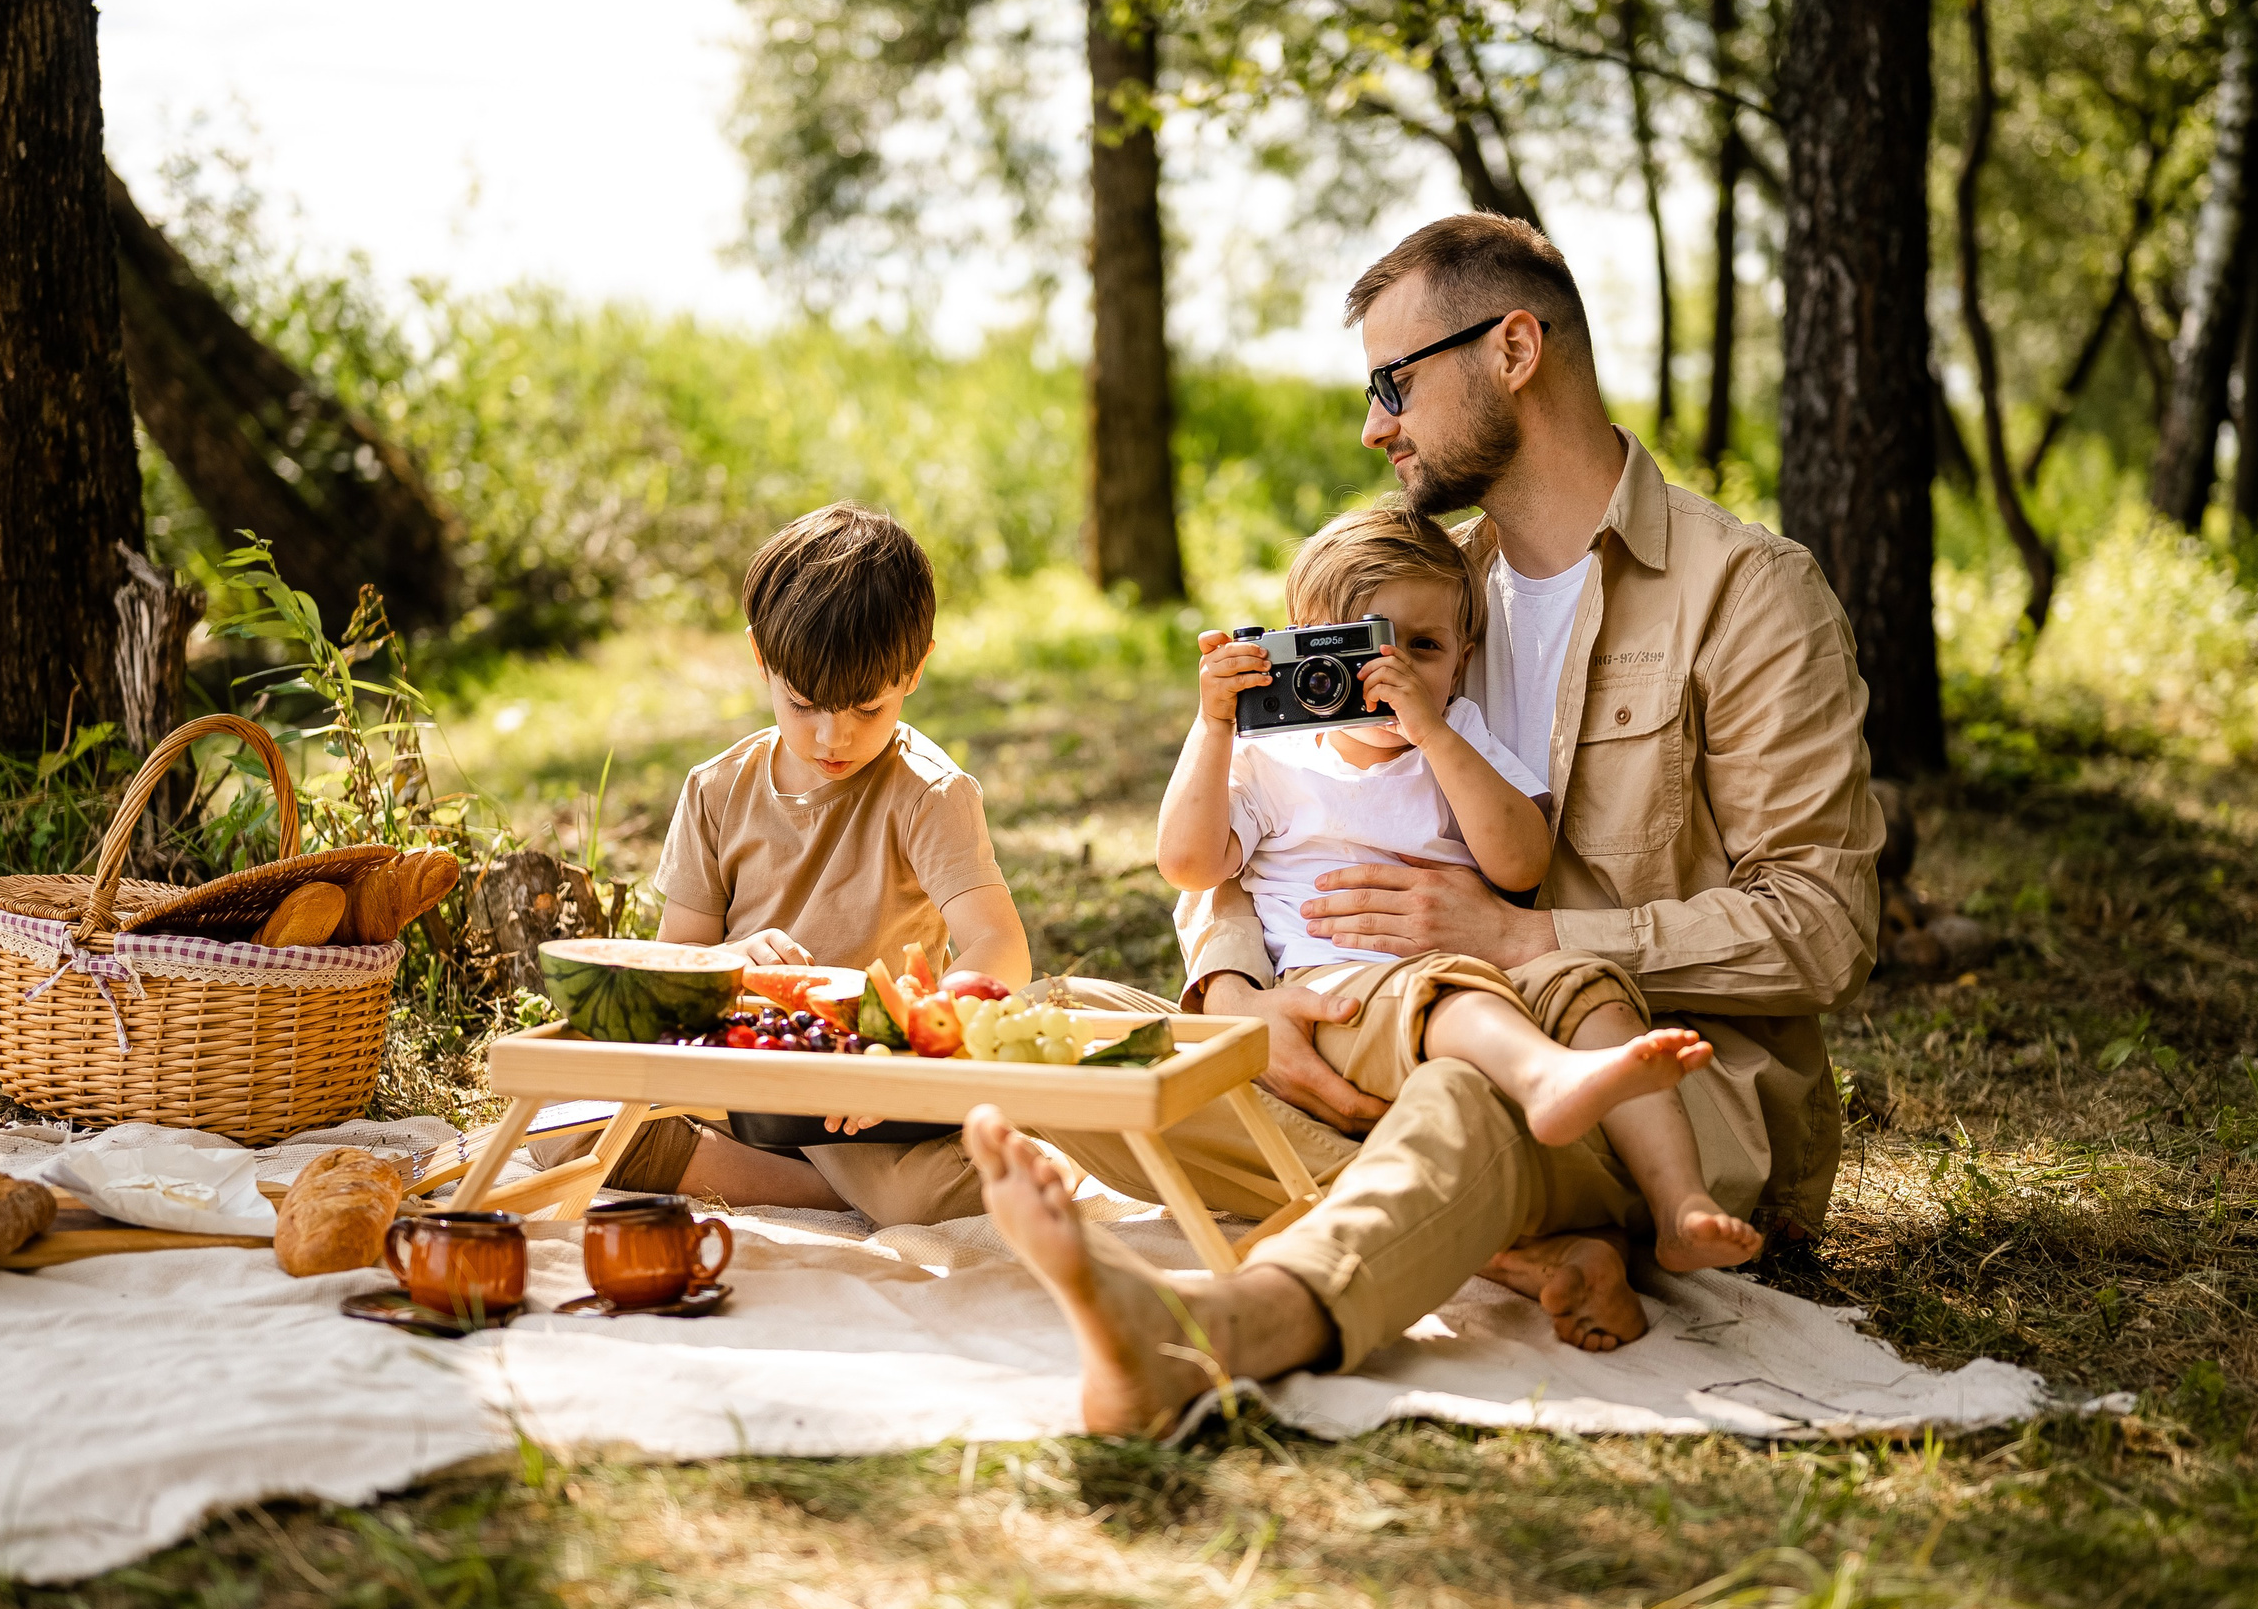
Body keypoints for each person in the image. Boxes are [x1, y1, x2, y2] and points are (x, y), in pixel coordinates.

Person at [970, 211, 1882, 1436]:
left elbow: (1821, 928)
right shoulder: (1416, 593)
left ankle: (1205, 1334)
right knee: (1082, 1035)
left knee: (1461, 1099)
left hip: (1655, 1077)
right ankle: (1527, 1249)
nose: (1372, 424)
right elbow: (1274, 804)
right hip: (1381, 1028)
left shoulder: (1749, 595)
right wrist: (1237, 988)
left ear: (1513, 348)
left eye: (1394, 381)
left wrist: (1526, 941)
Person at [1153, 498, 1757, 1272]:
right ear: (1297, 647)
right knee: (1457, 996)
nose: (1389, 671)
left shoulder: (1458, 733)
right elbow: (1189, 863)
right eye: (1359, 647)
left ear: (1462, 657)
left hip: (1478, 975)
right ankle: (1544, 1080)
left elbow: (1522, 862)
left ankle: (1682, 1204)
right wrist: (1211, 729)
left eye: (1423, 647)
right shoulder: (1273, 754)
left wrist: (1433, 734)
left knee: (1589, 985)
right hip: (1338, 992)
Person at [539, 502, 1031, 1225]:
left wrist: (903, 1052)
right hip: (743, 1072)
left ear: (916, 669)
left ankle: (846, 1184)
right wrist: (732, 959)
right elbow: (680, 955)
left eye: (868, 707)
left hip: (860, 1093)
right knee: (562, 1123)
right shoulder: (716, 789)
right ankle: (829, 1193)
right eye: (803, 704)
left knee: (918, 1195)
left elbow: (1001, 948)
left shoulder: (928, 793)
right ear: (761, 660)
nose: (834, 735)